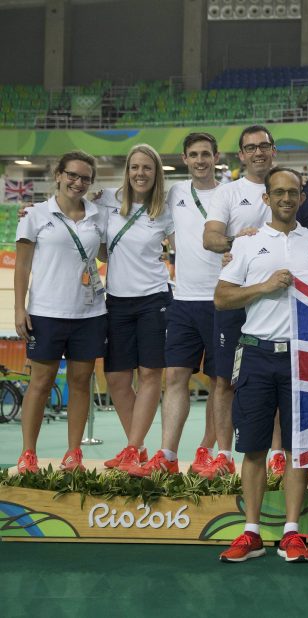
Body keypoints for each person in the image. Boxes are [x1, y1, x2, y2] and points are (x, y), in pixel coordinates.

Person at [216, 167, 308, 563]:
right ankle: (250, 532)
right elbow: (221, 298)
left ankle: (291, 532)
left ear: (303, 197)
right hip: (256, 353)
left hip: (303, 358)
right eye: (279, 192)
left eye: (293, 192)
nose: (287, 198)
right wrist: (262, 287)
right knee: (253, 449)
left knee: (299, 449)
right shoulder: (249, 244)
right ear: (266, 198)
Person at [122, 133, 223, 476]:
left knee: (220, 381)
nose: (200, 160)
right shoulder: (176, 193)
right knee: (174, 376)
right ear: (184, 158)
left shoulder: (231, 194)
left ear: (216, 156)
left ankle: (206, 451)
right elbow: (133, 195)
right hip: (182, 299)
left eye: (205, 154)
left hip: (221, 299)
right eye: (193, 154)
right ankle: (167, 455)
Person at [14, 151, 107, 473]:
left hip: (90, 313)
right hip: (46, 312)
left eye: (85, 178)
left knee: (81, 383)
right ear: (58, 174)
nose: (77, 182)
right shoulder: (35, 215)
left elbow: (110, 250)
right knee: (40, 383)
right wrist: (19, 308)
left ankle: (73, 454)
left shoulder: (99, 215)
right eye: (72, 175)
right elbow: (22, 265)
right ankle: (28, 453)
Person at [195, 125, 278, 478]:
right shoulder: (228, 193)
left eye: (264, 146)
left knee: (279, 378)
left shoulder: (287, 186)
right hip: (235, 296)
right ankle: (225, 454)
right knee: (224, 380)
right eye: (250, 148)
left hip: (276, 299)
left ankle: (278, 453)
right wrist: (235, 241)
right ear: (241, 155)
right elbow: (209, 237)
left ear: (273, 150)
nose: (258, 152)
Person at [93, 144, 175, 476]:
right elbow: (99, 249)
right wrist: (31, 209)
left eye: (147, 168)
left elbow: (191, 244)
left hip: (154, 299)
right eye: (134, 167)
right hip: (116, 300)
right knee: (116, 378)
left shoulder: (166, 211)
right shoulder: (106, 201)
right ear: (127, 171)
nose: (140, 174)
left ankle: (132, 448)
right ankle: (136, 448)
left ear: (156, 174)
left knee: (151, 374)